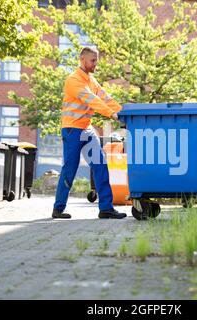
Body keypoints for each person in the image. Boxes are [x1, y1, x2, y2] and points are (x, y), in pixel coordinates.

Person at [52, 47, 127, 219]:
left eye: (96, 61)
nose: (95, 64)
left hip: (86, 129)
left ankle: (106, 208)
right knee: (70, 168)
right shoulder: (73, 81)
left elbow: (105, 97)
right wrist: (112, 115)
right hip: (72, 130)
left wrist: (123, 113)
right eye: (92, 61)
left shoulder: (91, 80)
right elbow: (93, 100)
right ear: (82, 59)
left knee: (100, 165)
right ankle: (58, 208)